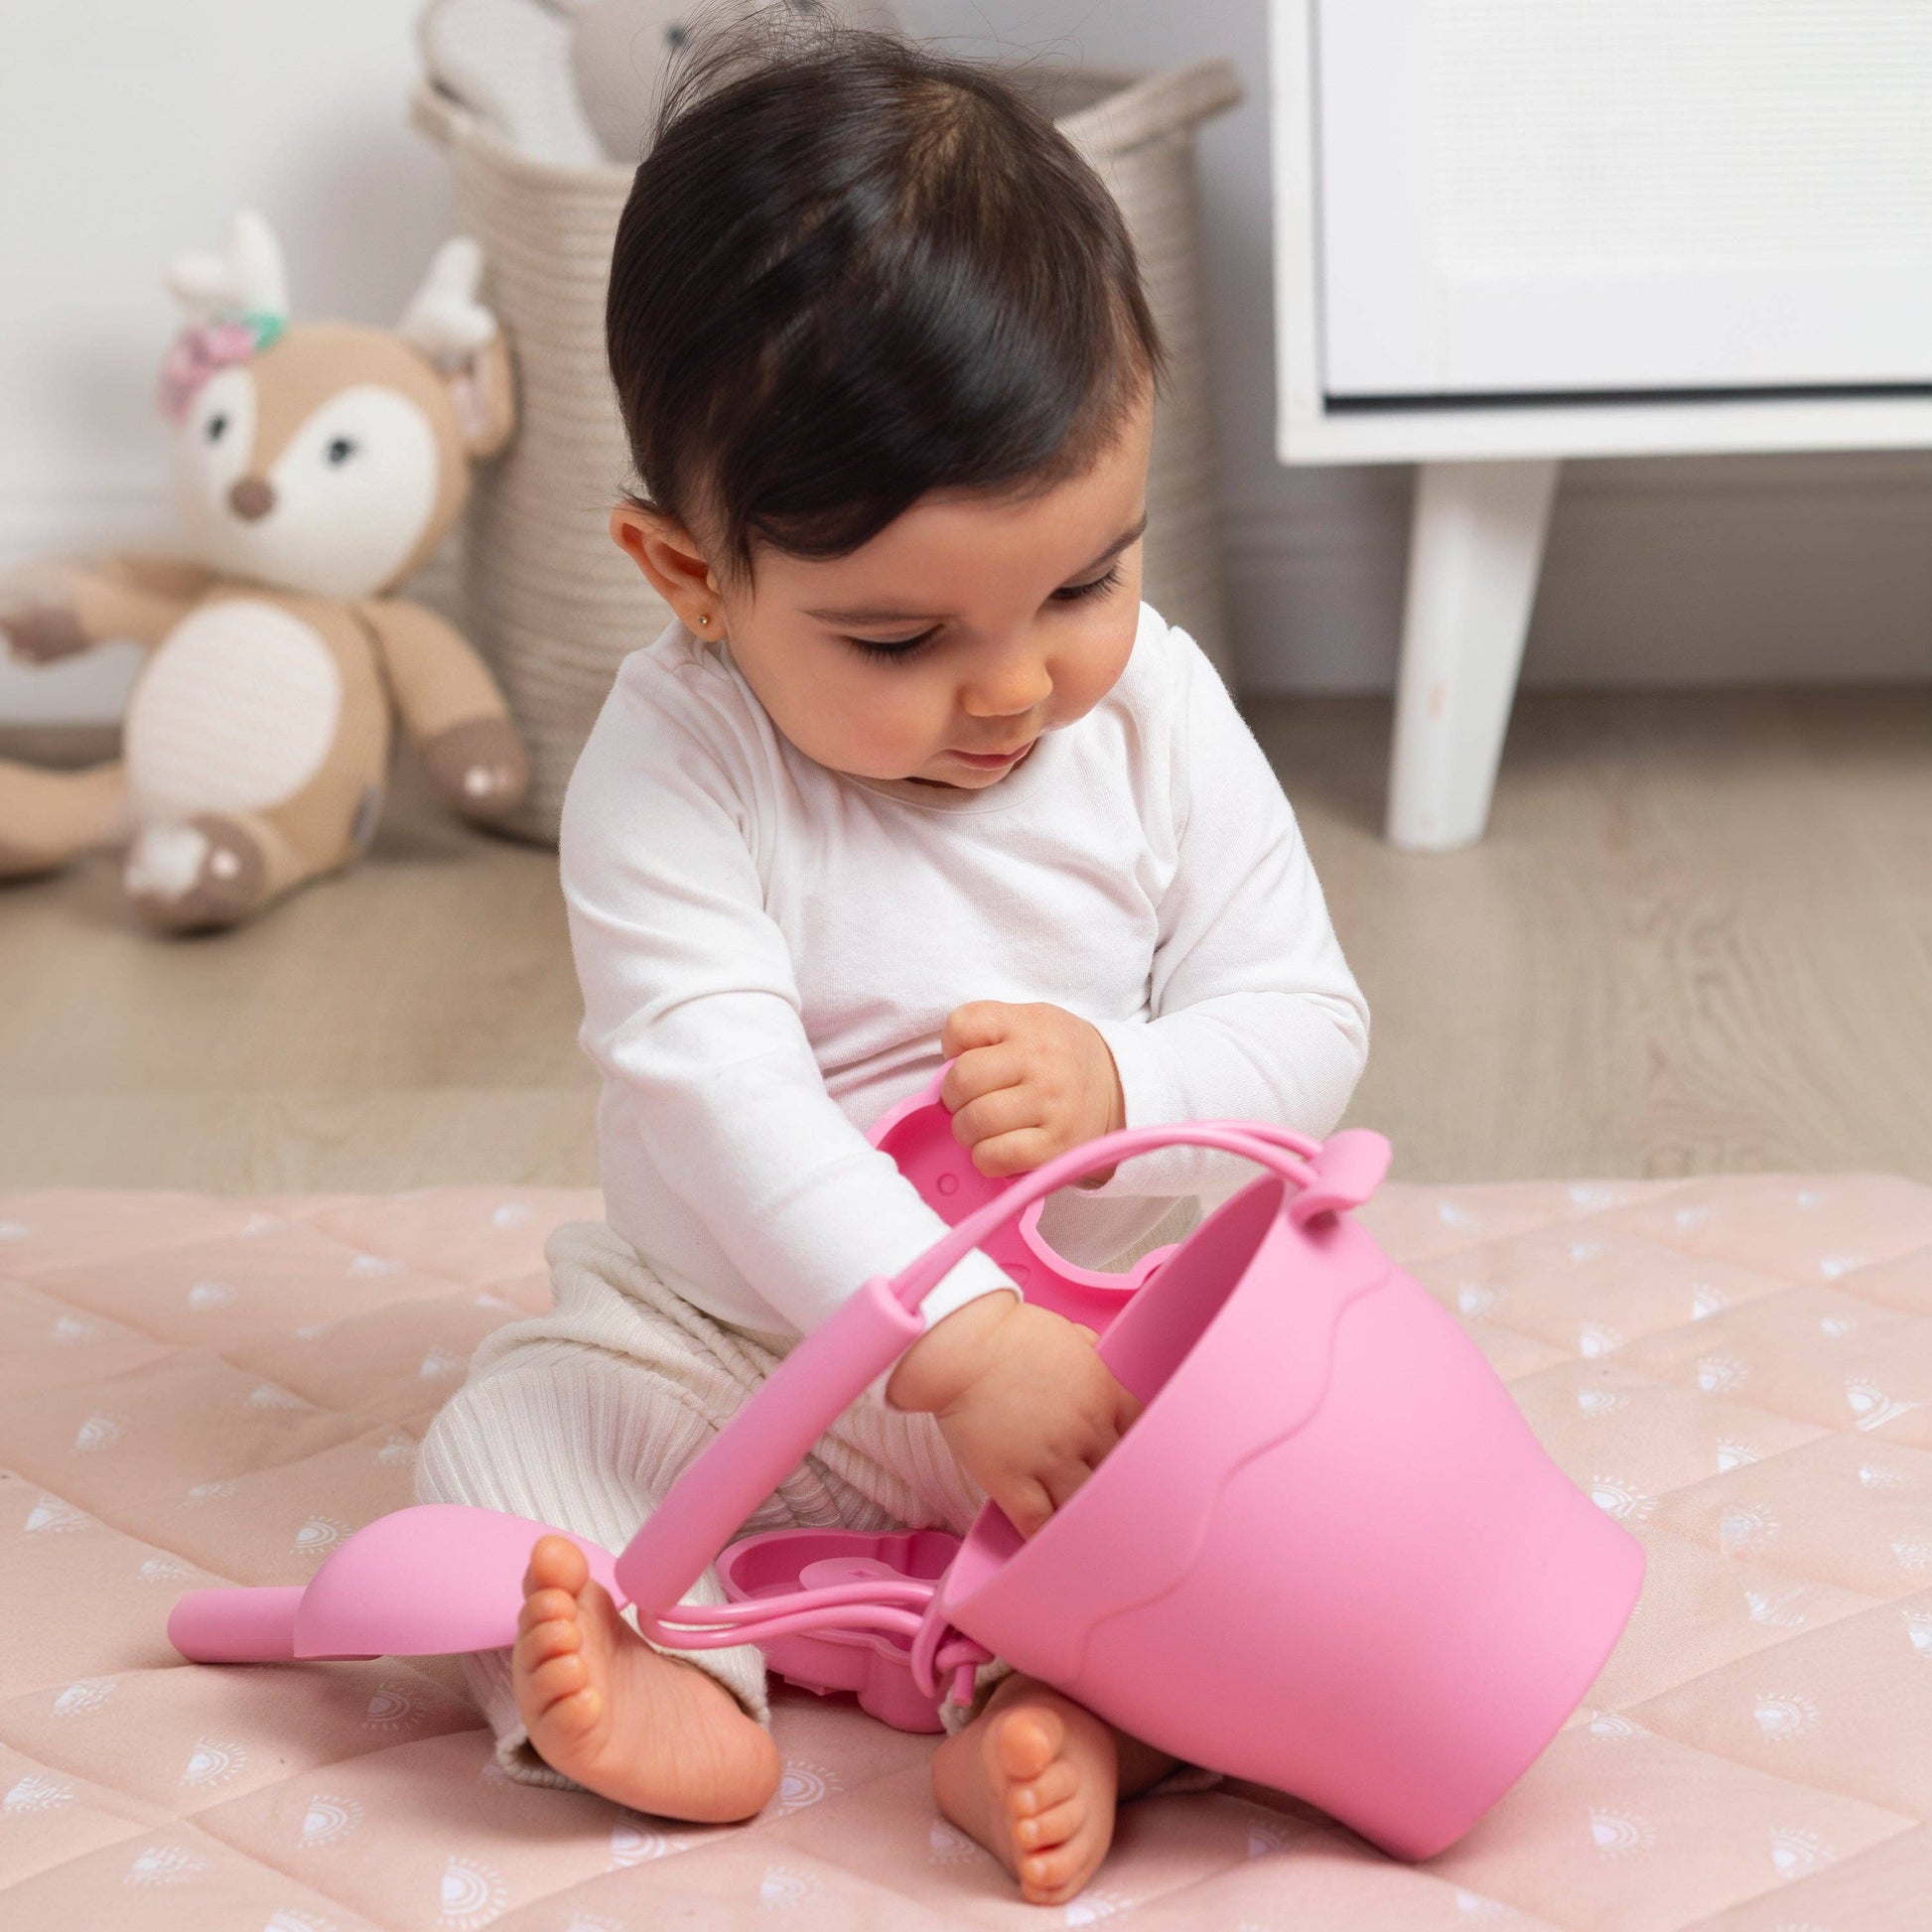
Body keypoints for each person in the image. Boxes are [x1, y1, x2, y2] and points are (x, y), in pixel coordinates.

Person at [418, 13, 1368, 1906]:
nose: (1013, 687)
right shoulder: (675, 764)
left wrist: (1132, 1082)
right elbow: (720, 1099)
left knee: (1308, 1490)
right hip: (740, 1354)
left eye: (1083, 582)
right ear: (692, 576)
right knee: (503, 1438)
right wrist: (950, 1337)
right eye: (898, 640)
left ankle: (1068, 1703)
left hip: (1097, 1354)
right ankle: (680, 1674)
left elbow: (1306, 1016)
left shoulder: (1158, 712)